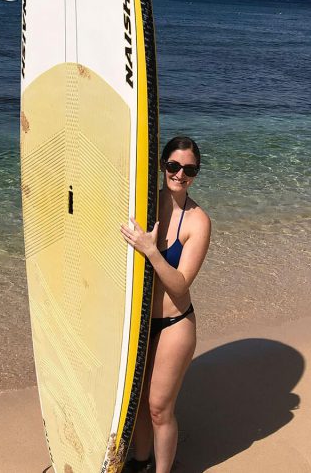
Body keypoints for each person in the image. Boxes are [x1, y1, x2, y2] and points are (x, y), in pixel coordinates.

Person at [120, 136, 211, 473]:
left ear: (196, 173)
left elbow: (180, 283)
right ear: (162, 166)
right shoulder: (144, 205)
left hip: (175, 323)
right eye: (174, 166)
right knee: (139, 404)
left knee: (160, 407)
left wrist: (152, 250)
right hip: (140, 322)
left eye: (189, 169)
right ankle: (141, 461)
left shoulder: (199, 222)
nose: (180, 174)